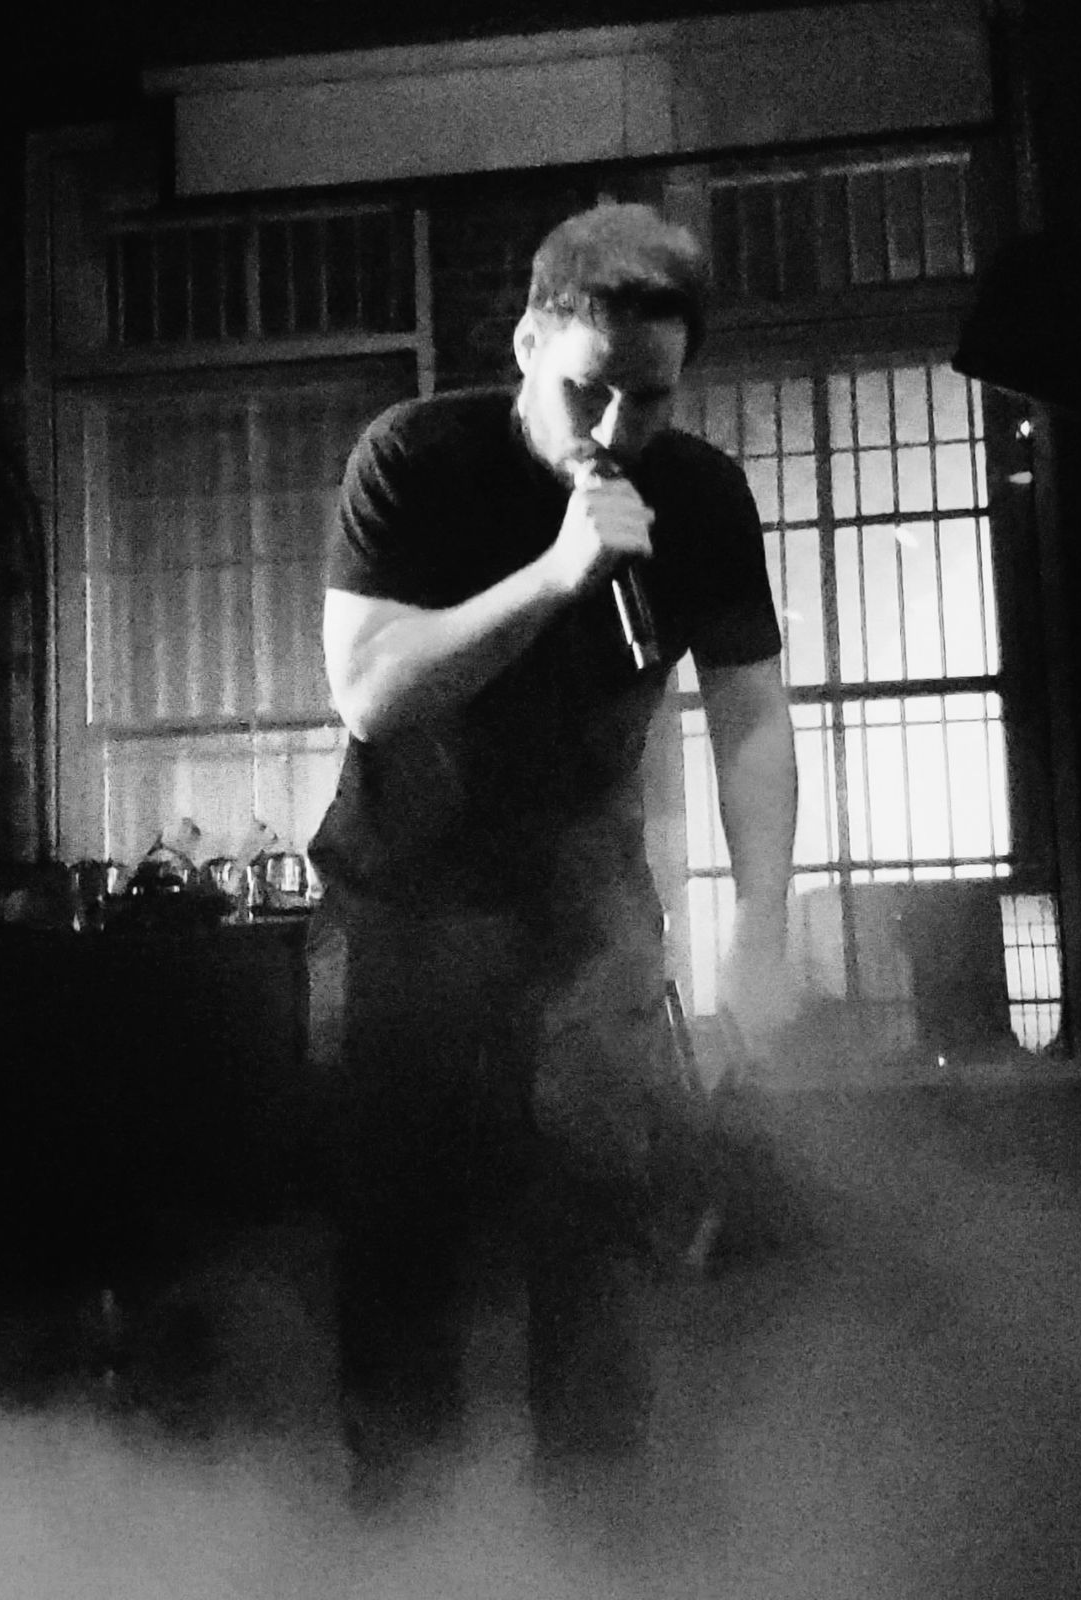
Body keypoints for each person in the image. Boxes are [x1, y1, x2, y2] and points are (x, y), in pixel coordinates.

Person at [305, 201, 798, 1504]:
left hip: (586, 912)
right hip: (404, 906)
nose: (619, 428)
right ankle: (402, 1535)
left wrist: (763, 922)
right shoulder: (416, 456)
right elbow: (370, 691)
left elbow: (751, 717)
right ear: (527, 343)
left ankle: (596, 1535)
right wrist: (554, 576)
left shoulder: (702, 495)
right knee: (402, 1242)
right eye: (590, 391)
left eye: (653, 397)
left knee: (597, 1236)